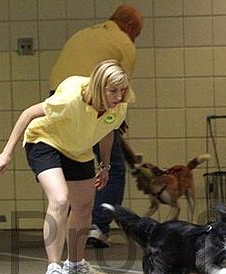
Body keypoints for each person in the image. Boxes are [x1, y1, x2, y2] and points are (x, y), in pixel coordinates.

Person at [0, 60, 134, 274]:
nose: (118, 96)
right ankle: (53, 270)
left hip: (77, 149)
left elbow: (108, 133)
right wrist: (5, 154)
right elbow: (28, 114)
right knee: (59, 199)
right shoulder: (70, 99)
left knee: (84, 206)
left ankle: (75, 265)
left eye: (122, 90)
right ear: (98, 87)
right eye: (113, 91)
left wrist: (105, 166)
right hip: (45, 141)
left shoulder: (118, 106)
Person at [49, 4, 143, 248]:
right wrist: (118, 119)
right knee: (112, 166)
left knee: (71, 159)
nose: (135, 39)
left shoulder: (85, 33)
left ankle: (69, 222)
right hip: (92, 94)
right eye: (137, 34)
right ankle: (98, 227)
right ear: (130, 27)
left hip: (60, 95)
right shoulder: (124, 43)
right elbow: (121, 88)